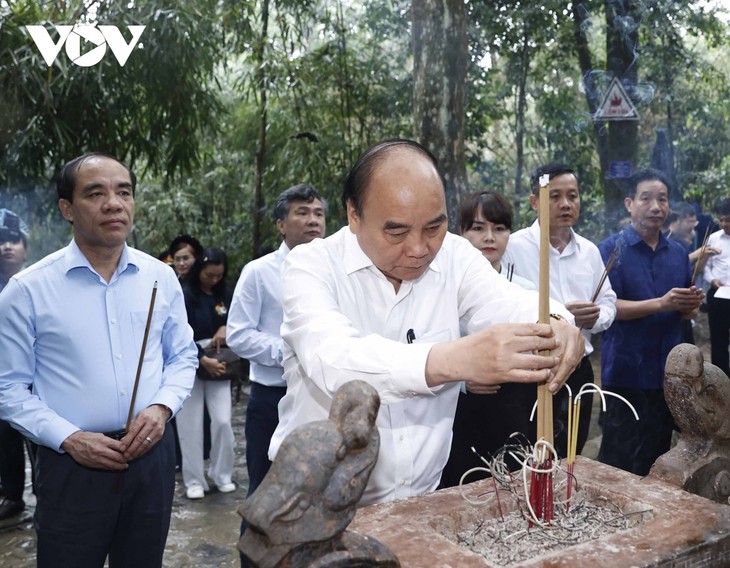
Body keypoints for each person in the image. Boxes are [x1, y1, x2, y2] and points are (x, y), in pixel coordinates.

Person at [269, 139, 584, 506]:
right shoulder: (311, 265)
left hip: (424, 500)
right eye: (397, 232)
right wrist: (453, 360)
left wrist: (558, 321)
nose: (419, 249)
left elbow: (510, 301)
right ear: (354, 215)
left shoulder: (454, 256)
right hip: (318, 507)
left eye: (434, 227)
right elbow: (334, 360)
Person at [0, 153, 198, 567]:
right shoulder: (28, 290)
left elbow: (182, 355)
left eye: (123, 192)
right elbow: (8, 387)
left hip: (150, 454)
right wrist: (70, 438)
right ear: (67, 209)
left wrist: (161, 408)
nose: (114, 203)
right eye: (96, 193)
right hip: (70, 464)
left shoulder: (159, 278)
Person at [226, 184, 327, 557]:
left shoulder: (335, 270)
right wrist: (287, 352)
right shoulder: (259, 272)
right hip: (272, 397)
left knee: (317, 489)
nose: (313, 220)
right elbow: (237, 334)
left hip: (321, 399)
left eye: (318, 213)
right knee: (264, 490)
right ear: (281, 224)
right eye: (302, 213)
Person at [502, 163, 617, 459]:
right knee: (526, 454)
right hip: (529, 369)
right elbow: (501, 302)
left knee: (571, 452)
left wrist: (596, 317)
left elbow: (608, 303)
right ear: (534, 202)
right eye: (554, 196)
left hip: (578, 368)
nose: (566, 204)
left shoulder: (589, 251)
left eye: (573, 196)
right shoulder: (513, 247)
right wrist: (562, 315)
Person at [597, 168, 704, 477]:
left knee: (657, 453)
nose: (656, 207)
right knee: (618, 458)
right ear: (630, 203)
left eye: (662, 199)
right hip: (626, 371)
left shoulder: (679, 254)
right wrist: (662, 303)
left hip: (667, 374)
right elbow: (608, 307)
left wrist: (689, 307)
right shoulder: (610, 249)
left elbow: (685, 312)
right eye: (647, 199)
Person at [440, 190, 537, 488]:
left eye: (499, 228)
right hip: (461, 409)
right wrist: (463, 382)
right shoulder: (443, 292)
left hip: (515, 406)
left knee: (514, 484)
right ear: (461, 233)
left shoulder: (525, 290)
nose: (489, 238)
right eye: (478, 228)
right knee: (463, 487)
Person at [176, 247, 236, 499]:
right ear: (200, 269)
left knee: (222, 420)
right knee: (190, 423)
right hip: (189, 359)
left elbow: (239, 319)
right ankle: (193, 480)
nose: (214, 280)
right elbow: (178, 332)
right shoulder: (185, 294)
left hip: (219, 359)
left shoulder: (225, 294)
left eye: (218, 276)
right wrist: (200, 360)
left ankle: (222, 473)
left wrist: (225, 327)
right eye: (209, 275)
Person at [0, 209, 31, 521]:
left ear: (25, 248)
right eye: (2, 241)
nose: (7, 246)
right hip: (2, 377)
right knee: (6, 440)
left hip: (39, 377)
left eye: (14, 241)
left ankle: (46, 495)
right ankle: (12, 496)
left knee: (40, 440)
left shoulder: (39, 282)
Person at [703, 197, 730, 376]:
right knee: (718, 339)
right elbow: (705, 266)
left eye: (728, 219)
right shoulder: (713, 238)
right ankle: (720, 378)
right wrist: (712, 280)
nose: (724, 223)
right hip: (718, 294)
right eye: (721, 219)